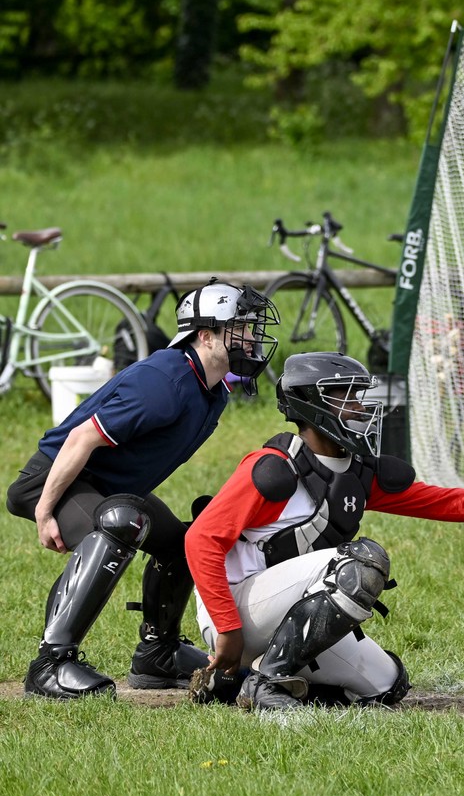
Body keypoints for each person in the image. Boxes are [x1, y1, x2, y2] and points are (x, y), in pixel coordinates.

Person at [185, 352, 464, 711]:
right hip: (235, 611)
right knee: (361, 563)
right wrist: (230, 632)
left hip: (282, 610)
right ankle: (266, 683)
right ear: (312, 403)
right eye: (348, 398)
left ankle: (241, 681)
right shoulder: (274, 467)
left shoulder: (353, 471)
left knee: (386, 685)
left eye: (359, 397)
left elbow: (438, 501)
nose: (361, 408)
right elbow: (200, 540)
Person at [4, 281, 279, 699]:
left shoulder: (212, 392)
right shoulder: (164, 382)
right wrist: (45, 511)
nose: (250, 338)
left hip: (108, 487)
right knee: (123, 523)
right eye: (238, 328)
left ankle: (158, 653)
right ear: (205, 336)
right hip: (54, 480)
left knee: (189, 541)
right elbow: (80, 439)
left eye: (250, 327)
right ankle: (50, 664)